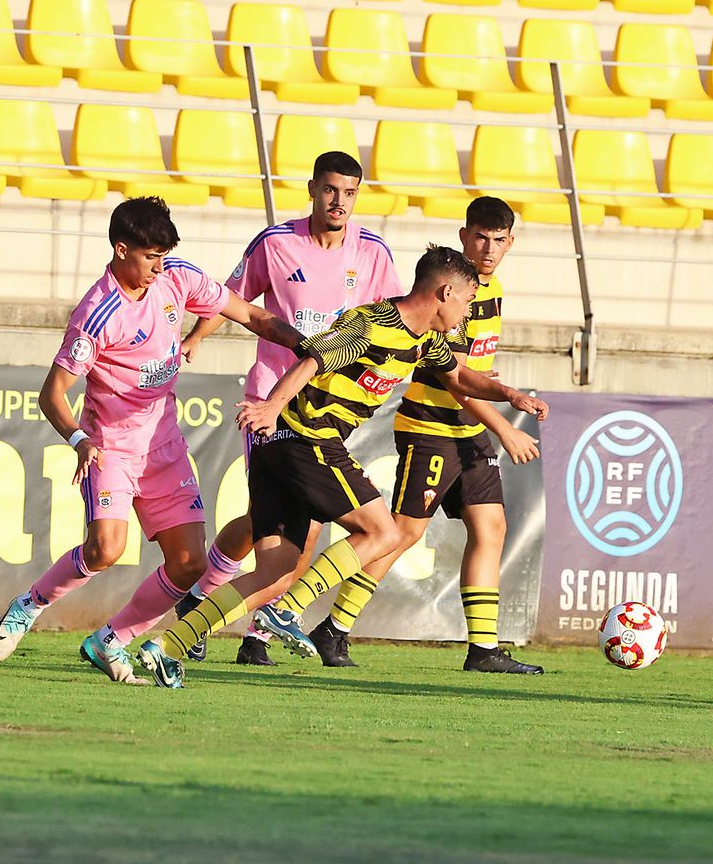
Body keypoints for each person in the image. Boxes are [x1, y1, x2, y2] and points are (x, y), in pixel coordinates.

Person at [137, 246, 548, 689]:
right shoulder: (372, 322)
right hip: (305, 438)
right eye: (467, 301)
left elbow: (458, 378)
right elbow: (312, 358)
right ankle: (289, 609)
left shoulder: (425, 340)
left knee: (274, 570)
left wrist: (510, 394)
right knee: (384, 532)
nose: (467, 312)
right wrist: (273, 406)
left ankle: (166, 646)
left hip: (283, 444)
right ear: (446, 292)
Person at [0, 196, 304, 686]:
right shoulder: (97, 313)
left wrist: (308, 347)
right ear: (120, 249)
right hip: (109, 445)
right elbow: (52, 394)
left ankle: (110, 639)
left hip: (164, 444)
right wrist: (78, 439)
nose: (158, 266)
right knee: (105, 549)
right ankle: (29, 605)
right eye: (149, 256)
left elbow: (251, 315)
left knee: (190, 562)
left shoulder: (176, 277)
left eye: (162, 255)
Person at [293, 197, 545, 674]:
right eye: (479, 237)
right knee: (402, 534)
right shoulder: (451, 296)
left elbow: (474, 370)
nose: (488, 249)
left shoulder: (492, 293)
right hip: (430, 427)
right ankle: (332, 627)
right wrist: (506, 427)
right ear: (463, 235)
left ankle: (483, 650)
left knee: (491, 529)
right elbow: (455, 378)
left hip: (470, 431)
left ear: (510, 242)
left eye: (498, 240)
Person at [173, 150, 401, 667]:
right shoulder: (277, 244)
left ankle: (230, 620)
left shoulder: (372, 254)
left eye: (349, 192)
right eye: (330, 190)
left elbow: (392, 320)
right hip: (270, 404)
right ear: (313, 188)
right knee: (283, 530)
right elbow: (230, 297)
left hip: (326, 411)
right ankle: (230, 617)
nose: (339, 201)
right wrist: (194, 339)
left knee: (276, 528)